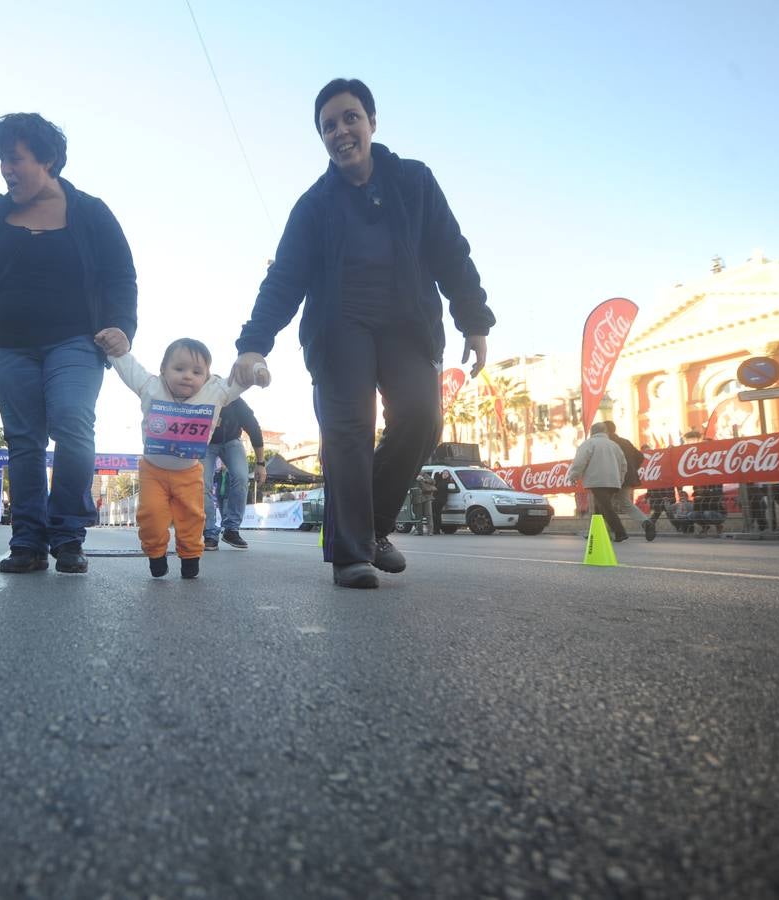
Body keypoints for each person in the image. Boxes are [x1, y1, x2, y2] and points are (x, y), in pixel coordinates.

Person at [228, 78, 495, 589]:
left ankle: (372, 526)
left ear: (372, 122)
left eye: (350, 118)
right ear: (322, 138)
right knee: (348, 431)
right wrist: (253, 341)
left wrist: (474, 319)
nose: (341, 131)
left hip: (408, 325)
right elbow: (284, 278)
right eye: (328, 126)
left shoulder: (415, 182)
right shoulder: (313, 206)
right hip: (340, 328)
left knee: (422, 418)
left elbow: (451, 253)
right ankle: (350, 554)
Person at [0, 112, 138, 575]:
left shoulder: (92, 212)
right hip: (9, 343)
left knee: (73, 425)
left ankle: (68, 534)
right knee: (23, 441)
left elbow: (121, 277)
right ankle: (28, 540)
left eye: (15, 159)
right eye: (1, 160)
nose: (6, 170)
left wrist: (122, 327)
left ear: (49, 160)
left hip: (77, 341)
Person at [103, 337, 263, 579]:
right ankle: (156, 555)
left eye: (197, 371)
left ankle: (190, 558)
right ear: (163, 370)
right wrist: (115, 351)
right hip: (153, 472)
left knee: (191, 518)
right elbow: (130, 369)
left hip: (189, 472)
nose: (188, 376)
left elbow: (239, 379)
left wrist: (257, 371)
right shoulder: (150, 387)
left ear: (207, 376)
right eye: (179, 369)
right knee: (151, 516)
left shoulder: (215, 392)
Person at [202, 397, 265, 551]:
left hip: (231, 441)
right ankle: (209, 531)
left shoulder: (236, 402)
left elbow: (254, 429)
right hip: (206, 442)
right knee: (203, 483)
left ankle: (231, 529)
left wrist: (260, 463)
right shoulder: (202, 396)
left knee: (241, 477)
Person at [567, 422, 628, 542]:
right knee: (599, 508)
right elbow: (623, 464)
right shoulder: (614, 445)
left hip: (597, 481)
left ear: (592, 432)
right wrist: (620, 479)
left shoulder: (589, 444)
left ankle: (620, 532)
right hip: (613, 481)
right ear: (605, 432)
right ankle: (597, 533)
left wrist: (573, 476)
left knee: (605, 507)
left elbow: (580, 462)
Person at [605, 422, 653, 541]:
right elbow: (640, 456)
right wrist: (631, 468)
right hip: (627, 477)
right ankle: (645, 522)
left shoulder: (607, 443)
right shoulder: (625, 441)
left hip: (612, 477)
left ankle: (610, 532)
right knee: (625, 503)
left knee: (604, 504)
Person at [414, 469, 436, 535]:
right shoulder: (412, 475)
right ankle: (419, 531)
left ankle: (430, 531)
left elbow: (433, 481)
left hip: (427, 497)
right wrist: (415, 479)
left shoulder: (423, 474)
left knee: (428, 514)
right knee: (418, 515)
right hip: (417, 498)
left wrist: (423, 479)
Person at [432, 469, 453, 534]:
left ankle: (437, 529)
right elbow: (436, 476)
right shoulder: (440, 480)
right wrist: (439, 472)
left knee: (437, 515)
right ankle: (436, 529)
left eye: (446, 473)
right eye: (444, 473)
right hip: (435, 500)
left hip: (441, 500)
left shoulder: (448, 482)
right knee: (435, 515)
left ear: (449, 475)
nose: (445, 474)